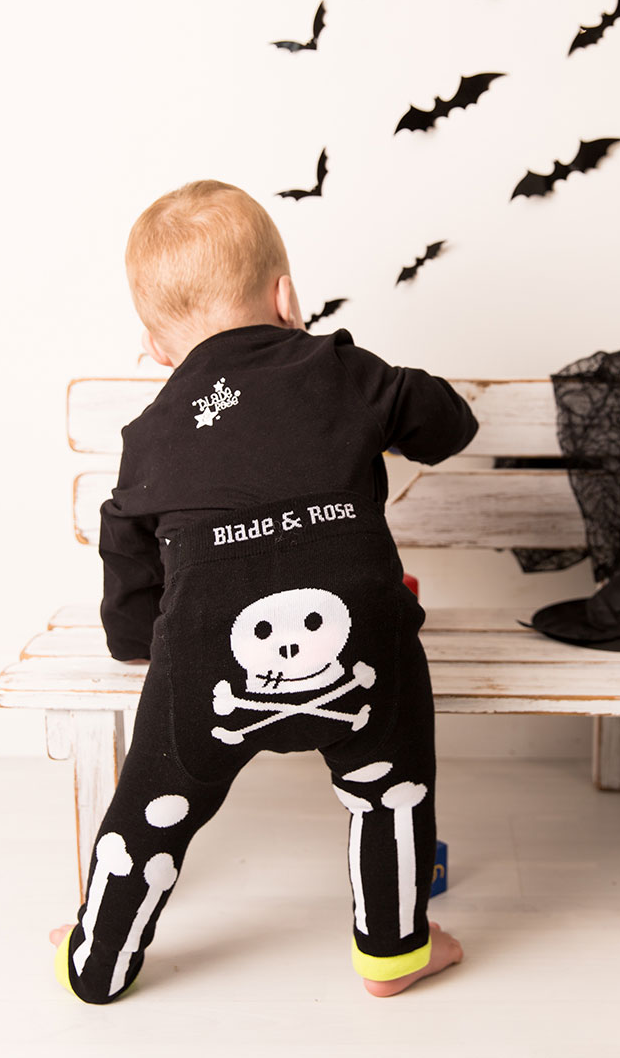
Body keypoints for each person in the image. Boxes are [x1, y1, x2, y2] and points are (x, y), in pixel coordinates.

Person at [50, 179, 475, 1003]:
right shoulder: (343, 369)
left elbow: (126, 547)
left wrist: (138, 643)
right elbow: (447, 423)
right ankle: (393, 953)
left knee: (153, 806)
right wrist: (374, 386)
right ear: (286, 296)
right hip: (361, 646)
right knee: (390, 792)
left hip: (206, 667)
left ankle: (97, 962)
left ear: (156, 346)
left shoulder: (154, 430)